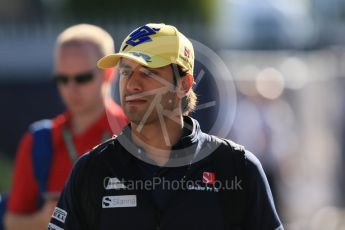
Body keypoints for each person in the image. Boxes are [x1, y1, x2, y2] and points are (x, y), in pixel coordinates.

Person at [49, 23, 284, 230]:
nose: (132, 84)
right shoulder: (91, 170)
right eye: (126, 72)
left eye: (148, 72)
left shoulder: (237, 168)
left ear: (184, 84)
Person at [4, 24, 128, 230]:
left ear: (109, 74)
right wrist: (43, 220)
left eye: (82, 78)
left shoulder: (137, 134)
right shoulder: (39, 141)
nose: (71, 88)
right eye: (62, 79)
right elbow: (11, 221)